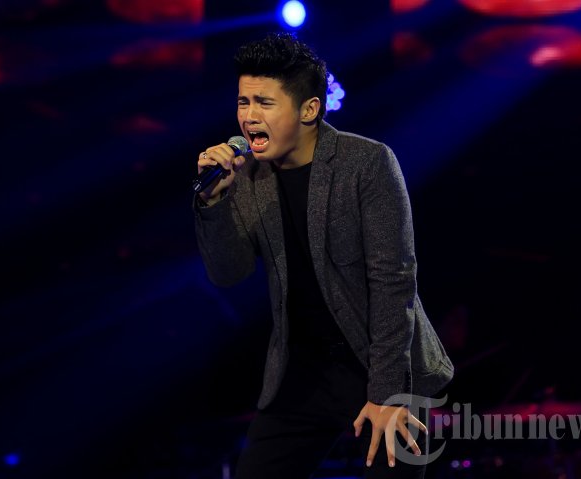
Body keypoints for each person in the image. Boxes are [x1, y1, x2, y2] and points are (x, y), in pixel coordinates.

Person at [193, 32, 453, 479]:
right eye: (243, 102)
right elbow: (229, 273)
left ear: (309, 109)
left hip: (382, 363)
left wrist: (387, 395)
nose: (249, 116)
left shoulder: (366, 162)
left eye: (264, 103)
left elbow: (393, 285)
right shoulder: (245, 176)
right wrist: (213, 203)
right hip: (301, 372)